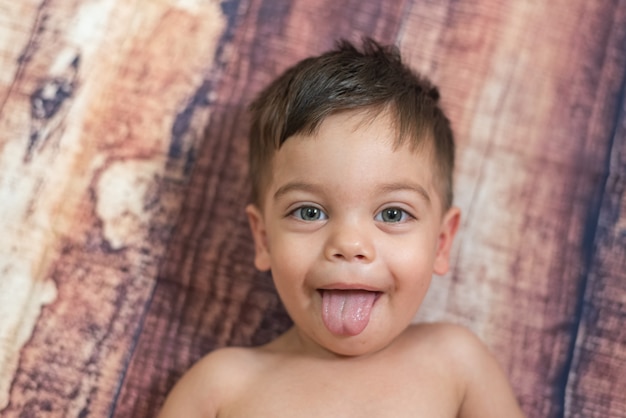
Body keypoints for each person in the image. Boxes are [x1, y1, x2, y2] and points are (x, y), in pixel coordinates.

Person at [158, 38, 526, 417]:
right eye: (309, 212)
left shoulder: (458, 364)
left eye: (393, 214)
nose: (349, 244)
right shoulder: (221, 387)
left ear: (442, 242)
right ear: (264, 238)